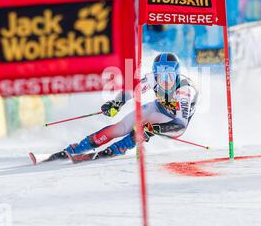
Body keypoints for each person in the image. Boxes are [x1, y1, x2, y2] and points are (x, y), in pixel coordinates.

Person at [45, 53, 199, 162]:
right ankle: (76, 149)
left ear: (177, 74)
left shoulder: (185, 91)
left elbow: (180, 126)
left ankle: (118, 148)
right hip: (158, 107)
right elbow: (133, 91)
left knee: (142, 127)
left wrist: (154, 129)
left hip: (173, 121)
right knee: (121, 127)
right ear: (155, 73)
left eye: (170, 75)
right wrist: (116, 103)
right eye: (160, 74)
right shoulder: (153, 78)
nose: (165, 79)